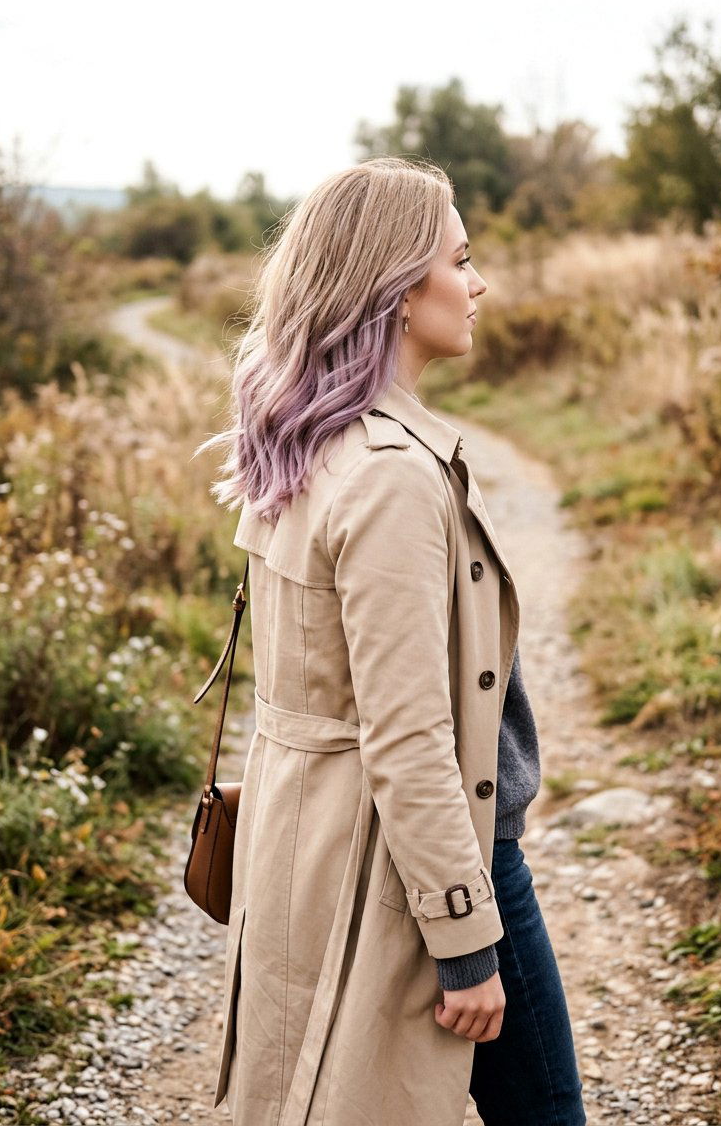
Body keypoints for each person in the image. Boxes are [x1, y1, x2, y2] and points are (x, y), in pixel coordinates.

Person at [192, 156, 586, 1125]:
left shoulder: (307, 441)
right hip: (437, 854)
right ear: (397, 292)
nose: (479, 282)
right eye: (460, 259)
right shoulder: (389, 476)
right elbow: (408, 735)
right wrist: (464, 939)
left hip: (315, 839)